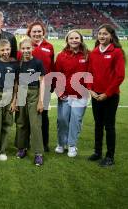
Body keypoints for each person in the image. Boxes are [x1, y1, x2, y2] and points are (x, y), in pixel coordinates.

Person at [87, 24, 125, 167]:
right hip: (95, 95)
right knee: (98, 125)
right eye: (100, 33)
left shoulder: (116, 52)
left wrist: (107, 93)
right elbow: (89, 73)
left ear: (111, 36)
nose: (102, 36)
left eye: (105, 34)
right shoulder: (94, 52)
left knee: (109, 126)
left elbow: (120, 76)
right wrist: (90, 89)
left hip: (110, 96)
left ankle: (110, 157)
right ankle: (97, 152)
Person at [54, 30, 89, 158]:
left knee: (75, 120)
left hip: (81, 96)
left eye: (76, 38)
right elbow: (57, 74)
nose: (74, 40)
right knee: (62, 120)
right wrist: (59, 91)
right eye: (71, 38)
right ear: (67, 40)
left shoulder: (87, 55)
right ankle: (61, 143)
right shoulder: (61, 55)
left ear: (81, 39)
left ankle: (72, 145)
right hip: (65, 95)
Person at [15, 37, 45, 166]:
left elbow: (42, 82)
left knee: (35, 124)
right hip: (21, 93)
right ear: (20, 49)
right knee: (21, 122)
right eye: (23, 48)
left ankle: (38, 153)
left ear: (33, 48)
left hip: (34, 93)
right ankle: (22, 148)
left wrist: (41, 101)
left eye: (28, 48)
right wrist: (15, 99)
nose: (26, 50)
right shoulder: (19, 64)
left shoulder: (38, 63)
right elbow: (16, 83)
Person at [26, 21, 54, 152]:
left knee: (44, 115)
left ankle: (44, 143)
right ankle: (25, 143)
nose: (37, 34)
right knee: (26, 116)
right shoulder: (25, 47)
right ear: (29, 33)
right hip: (28, 87)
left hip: (45, 86)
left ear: (43, 33)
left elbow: (52, 67)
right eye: (34, 31)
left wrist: (52, 84)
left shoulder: (49, 46)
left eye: (39, 31)